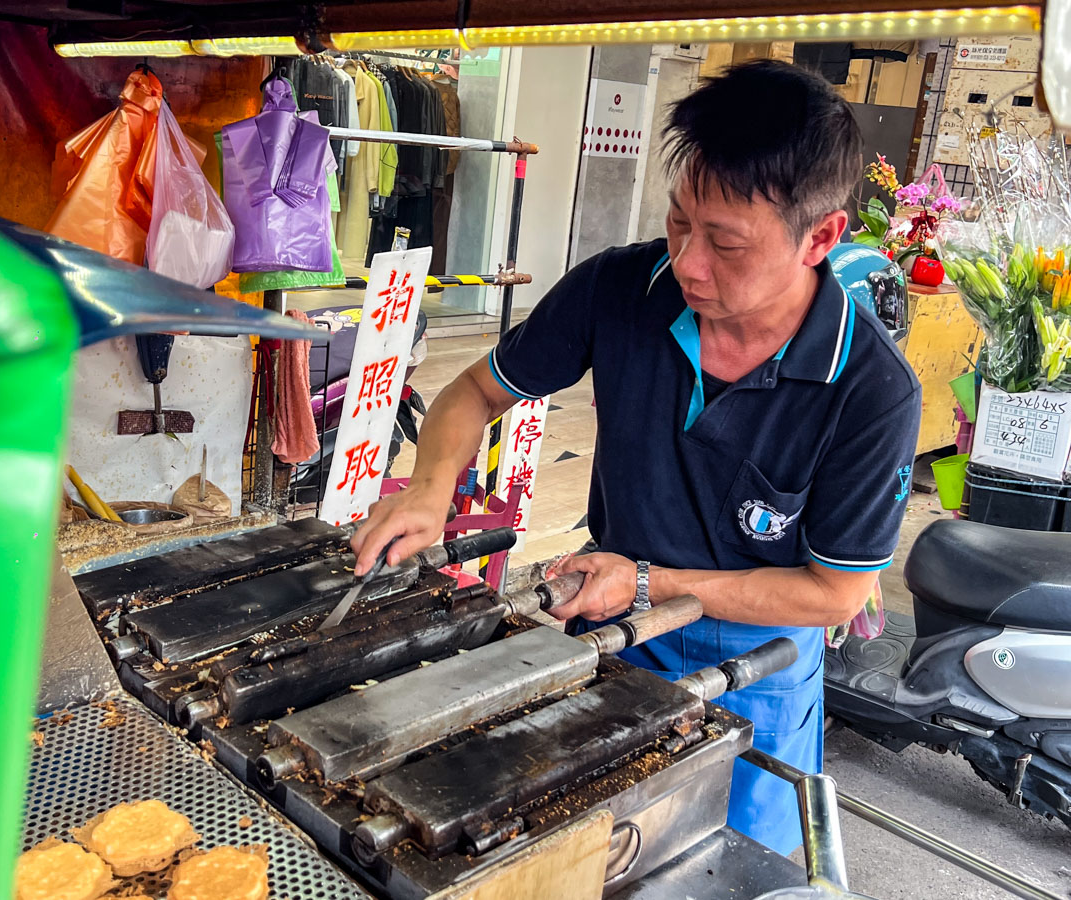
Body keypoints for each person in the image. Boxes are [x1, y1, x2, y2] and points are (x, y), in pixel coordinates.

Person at [351, 60, 922, 855]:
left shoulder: (869, 389)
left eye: (724, 243)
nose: (687, 261)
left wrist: (652, 580)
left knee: (716, 863)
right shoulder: (621, 288)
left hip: (755, 666)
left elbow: (831, 594)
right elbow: (474, 393)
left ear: (820, 237)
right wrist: (426, 488)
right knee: (570, 853)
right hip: (604, 627)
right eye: (679, 221)